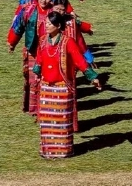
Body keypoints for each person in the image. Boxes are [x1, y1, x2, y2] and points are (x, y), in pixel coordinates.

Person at [33, 11, 102, 159]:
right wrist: (37, 73)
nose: (47, 25)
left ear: (58, 26)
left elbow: (79, 61)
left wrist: (92, 77)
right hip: (46, 87)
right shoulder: (43, 41)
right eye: (46, 22)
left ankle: (63, 151)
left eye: (50, 23)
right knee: (46, 122)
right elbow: (39, 59)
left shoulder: (68, 42)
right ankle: (48, 150)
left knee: (61, 121)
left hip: (62, 88)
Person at [9, 0, 54, 115]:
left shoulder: (54, 12)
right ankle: (33, 108)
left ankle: (46, 106)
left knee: (46, 78)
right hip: (33, 50)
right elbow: (19, 27)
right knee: (33, 79)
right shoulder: (28, 10)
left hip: (49, 50)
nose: (44, 0)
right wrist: (12, 43)